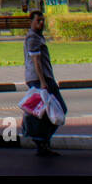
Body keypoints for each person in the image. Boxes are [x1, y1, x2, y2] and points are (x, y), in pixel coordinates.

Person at [23, 10, 67, 157]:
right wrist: (43, 82)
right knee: (59, 109)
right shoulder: (33, 38)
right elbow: (36, 61)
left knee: (43, 113)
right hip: (40, 80)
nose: (41, 23)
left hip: (40, 79)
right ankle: (41, 140)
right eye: (38, 20)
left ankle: (42, 143)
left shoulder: (36, 37)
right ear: (31, 22)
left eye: (42, 20)